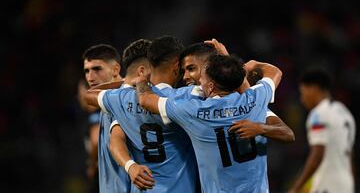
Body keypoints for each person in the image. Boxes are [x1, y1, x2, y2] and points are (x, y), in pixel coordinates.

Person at [135, 54, 282, 192]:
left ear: (211, 87)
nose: (200, 82)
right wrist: (253, 65)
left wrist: (142, 80)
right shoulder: (255, 98)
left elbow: (145, 100)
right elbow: (275, 72)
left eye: (203, 78)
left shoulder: (194, 111)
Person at [86, 36, 199, 193]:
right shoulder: (184, 97)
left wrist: (130, 166)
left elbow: (88, 95)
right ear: (176, 67)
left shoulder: (122, 99)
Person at [181, 41, 294, 142]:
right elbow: (274, 72)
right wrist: (250, 64)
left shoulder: (184, 104)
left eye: (191, 69)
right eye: (183, 71)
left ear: (209, 67)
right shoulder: (251, 101)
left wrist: (260, 128)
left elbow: (287, 133)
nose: (185, 77)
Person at [289, 68, 356, 193]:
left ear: (313, 88)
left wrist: (296, 187)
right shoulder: (345, 113)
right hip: (347, 184)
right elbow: (349, 155)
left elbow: (317, 154)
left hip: (327, 185)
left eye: (303, 93)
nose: (302, 99)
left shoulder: (318, 114)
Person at [81, 44, 130, 193]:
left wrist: (91, 164)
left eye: (97, 69)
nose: (90, 77)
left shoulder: (127, 101)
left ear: (116, 69)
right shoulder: (106, 101)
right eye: (87, 71)